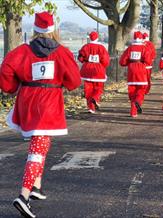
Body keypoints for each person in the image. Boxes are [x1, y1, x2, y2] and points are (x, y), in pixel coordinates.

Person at [0, 11, 81, 218]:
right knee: (39, 147)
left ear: (35, 30)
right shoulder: (62, 52)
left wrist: (13, 86)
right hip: (49, 104)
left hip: (28, 102)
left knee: (39, 142)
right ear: (54, 30)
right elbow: (74, 81)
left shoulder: (21, 52)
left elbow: (6, 72)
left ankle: (36, 186)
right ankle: (24, 195)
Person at [119, 31, 152, 118]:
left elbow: (122, 62)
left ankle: (133, 112)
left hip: (131, 69)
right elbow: (148, 61)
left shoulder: (129, 48)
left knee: (132, 90)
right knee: (141, 89)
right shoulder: (145, 48)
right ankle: (138, 101)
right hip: (141, 69)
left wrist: (129, 62)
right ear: (141, 39)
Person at [78, 31, 110, 113]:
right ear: (97, 38)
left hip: (87, 69)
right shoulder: (101, 48)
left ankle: (91, 108)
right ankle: (95, 98)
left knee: (88, 89)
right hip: (98, 70)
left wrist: (85, 60)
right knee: (99, 88)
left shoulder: (85, 47)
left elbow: (80, 58)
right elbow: (105, 61)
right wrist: (103, 67)